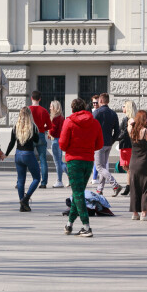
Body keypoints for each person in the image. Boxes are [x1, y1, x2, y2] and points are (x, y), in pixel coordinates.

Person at [59, 98, 103, 237]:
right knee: (78, 193)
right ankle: (69, 224)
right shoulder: (94, 122)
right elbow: (100, 143)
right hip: (88, 161)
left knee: (78, 194)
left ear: (72, 109)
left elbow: (62, 144)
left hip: (74, 161)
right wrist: (89, 148)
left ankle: (86, 227)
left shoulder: (69, 122)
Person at [5, 107, 40, 212]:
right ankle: (26, 199)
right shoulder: (33, 127)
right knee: (37, 178)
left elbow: (12, 142)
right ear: (30, 115)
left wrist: (6, 154)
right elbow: (37, 140)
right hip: (28, 154)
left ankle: (22, 205)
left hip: (18, 154)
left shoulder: (16, 127)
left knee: (20, 180)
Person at [128, 110, 147, 221]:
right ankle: (144, 214)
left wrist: (131, 121)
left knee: (134, 187)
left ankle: (135, 213)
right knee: (146, 186)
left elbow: (129, 122)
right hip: (145, 162)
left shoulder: (131, 130)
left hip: (133, 163)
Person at [92, 93, 121, 196]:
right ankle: (99, 189)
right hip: (108, 143)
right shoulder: (113, 114)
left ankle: (115, 184)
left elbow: (91, 128)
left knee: (99, 167)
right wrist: (112, 141)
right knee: (103, 167)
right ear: (108, 101)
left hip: (98, 144)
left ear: (100, 101)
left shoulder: (96, 113)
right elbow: (117, 131)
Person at [28, 91, 51, 189]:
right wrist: (42, 129)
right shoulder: (44, 111)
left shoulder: (27, 110)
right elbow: (50, 125)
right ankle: (44, 182)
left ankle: (22, 180)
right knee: (43, 160)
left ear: (31, 98)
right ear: (40, 99)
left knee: (27, 158)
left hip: (30, 135)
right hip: (41, 135)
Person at [118, 100, 137, 196]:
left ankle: (130, 187)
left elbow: (124, 132)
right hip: (129, 145)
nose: (122, 108)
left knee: (128, 167)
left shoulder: (127, 119)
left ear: (128, 108)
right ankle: (129, 186)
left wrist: (116, 138)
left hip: (126, 145)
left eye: (124, 106)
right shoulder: (133, 119)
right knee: (128, 167)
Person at [47, 100, 67, 188]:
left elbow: (53, 131)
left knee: (57, 162)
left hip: (55, 141)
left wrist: (48, 130)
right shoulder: (62, 117)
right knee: (60, 161)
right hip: (60, 140)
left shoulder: (54, 118)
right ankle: (70, 177)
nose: (50, 108)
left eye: (51, 106)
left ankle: (59, 181)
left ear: (55, 107)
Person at [89, 94, 101, 183]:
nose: (95, 104)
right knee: (93, 159)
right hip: (92, 137)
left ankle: (95, 177)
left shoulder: (100, 112)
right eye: (93, 103)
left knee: (98, 159)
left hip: (99, 137)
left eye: (96, 102)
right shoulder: (90, 112)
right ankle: (95, 177)